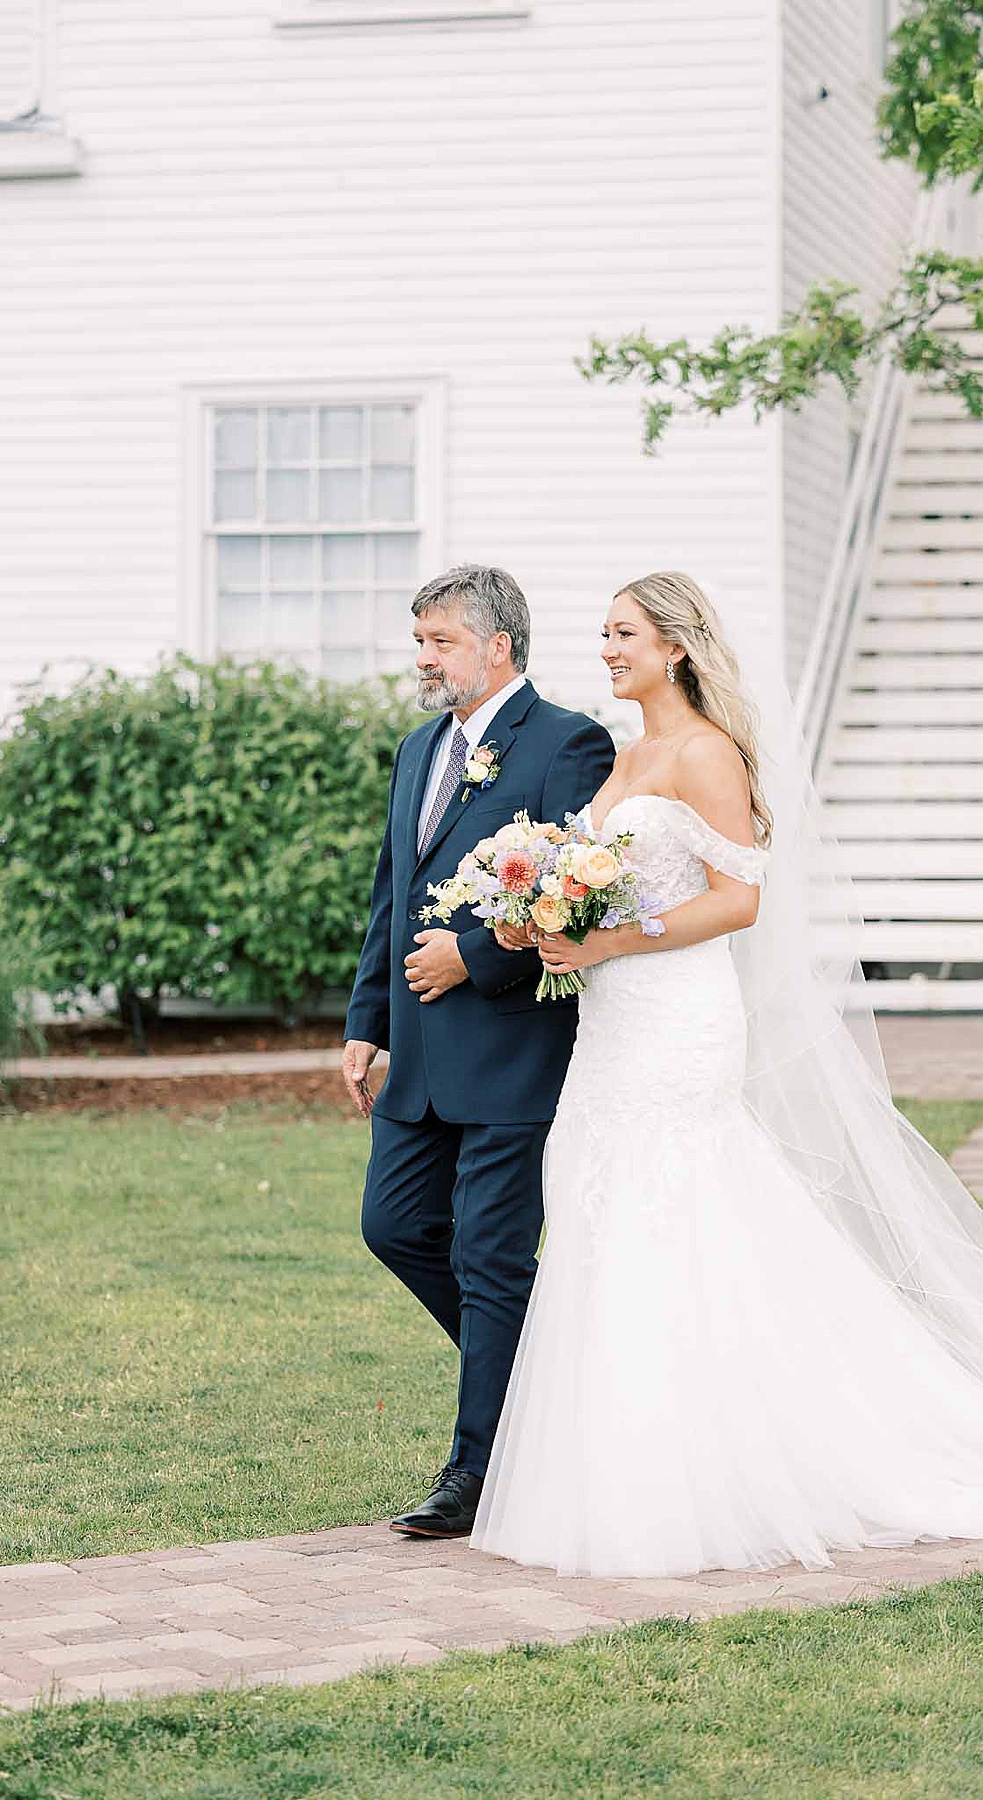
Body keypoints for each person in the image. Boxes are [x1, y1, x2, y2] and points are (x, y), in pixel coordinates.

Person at [470, 569, 983, 1578]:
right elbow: (600, 883)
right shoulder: (629, 754)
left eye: (623, 631)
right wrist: (547, 914)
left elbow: (738, 902)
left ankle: (721, 1469)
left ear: (676, 645)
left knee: (670, 1212)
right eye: (602, 632)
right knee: (601, 1215)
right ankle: (629, 1456)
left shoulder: (706, 752)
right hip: (613, 1028)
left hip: (680, 1019)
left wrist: (610, 942)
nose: (606, 646)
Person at [342, 564, 614, 1539]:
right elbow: (393, 892)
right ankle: (557, 1380)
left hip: (512, 1050)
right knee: (395, 1225)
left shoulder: (568, 742)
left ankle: (477, 1471)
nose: (424, 658)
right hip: (416, 1053)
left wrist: (474, 958)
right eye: (420, 642)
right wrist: (366, 1021)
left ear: (498, 644)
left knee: (494, 1259)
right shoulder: (420, 750)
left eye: (440, 641)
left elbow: (581, 891)